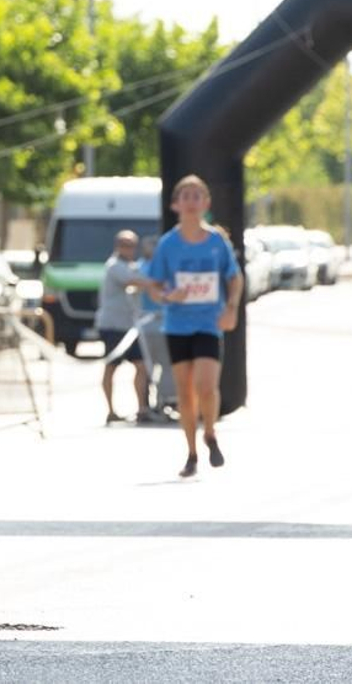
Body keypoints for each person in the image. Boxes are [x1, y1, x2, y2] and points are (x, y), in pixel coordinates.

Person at [142, 175, 243, 478]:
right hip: (177, 324)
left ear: (206, 203)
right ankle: (191, 453)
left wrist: (232, 307)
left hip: (208, 323)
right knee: (185, 394)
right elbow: (153, 286)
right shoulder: (168, 244)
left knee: (207, 386)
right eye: (185, 195)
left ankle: (209, 432)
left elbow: (234, 277)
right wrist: (166, 295)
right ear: (175, 204)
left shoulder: (216, 242)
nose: (190, 200)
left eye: (197, 195)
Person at [95, 230, 149, 425]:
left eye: (132, 245)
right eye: (125, 245)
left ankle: (142, 407)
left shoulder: (131, 266)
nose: (129, 249)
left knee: (141, 366)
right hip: (112, 325)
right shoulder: (114, 266)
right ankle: (110, 410)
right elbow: (135, 281)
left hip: (129, 326)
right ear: (118, 246)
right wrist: (160, 285)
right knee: (111, 367)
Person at [135, 234, 178, 419]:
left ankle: (146, 406)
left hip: (147, 324)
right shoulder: (162, 270)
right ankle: (164, 402)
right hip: (157, 323)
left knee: (147, 368)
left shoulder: (138, 268)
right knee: (165, 366)